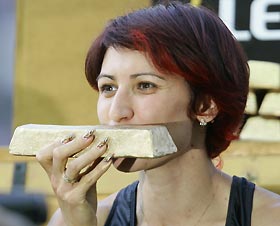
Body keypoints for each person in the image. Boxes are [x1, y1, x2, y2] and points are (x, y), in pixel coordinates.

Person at [36, 2, 280, 226]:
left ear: (206, 106)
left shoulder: (270, 217)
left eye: (145, 85)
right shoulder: (79, 219)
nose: (116, 112)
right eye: (108, 88)